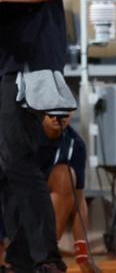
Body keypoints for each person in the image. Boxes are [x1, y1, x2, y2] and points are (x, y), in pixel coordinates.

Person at [0, 0, 70, 273]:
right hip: (18, 57)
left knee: (16, 159)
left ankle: (44, 259)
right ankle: (25, 255)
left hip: (28, 61)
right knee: (10, 159)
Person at [0, 114, 94, 273]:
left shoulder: (75, 145)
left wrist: (83, 257)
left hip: (38, 219)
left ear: (72, 111)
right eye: (51, 108)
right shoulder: (19, 137)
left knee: (65, 176)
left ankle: (43, 260)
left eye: (64, 109)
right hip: (9, 210)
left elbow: (79, 201)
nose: (57, 115)